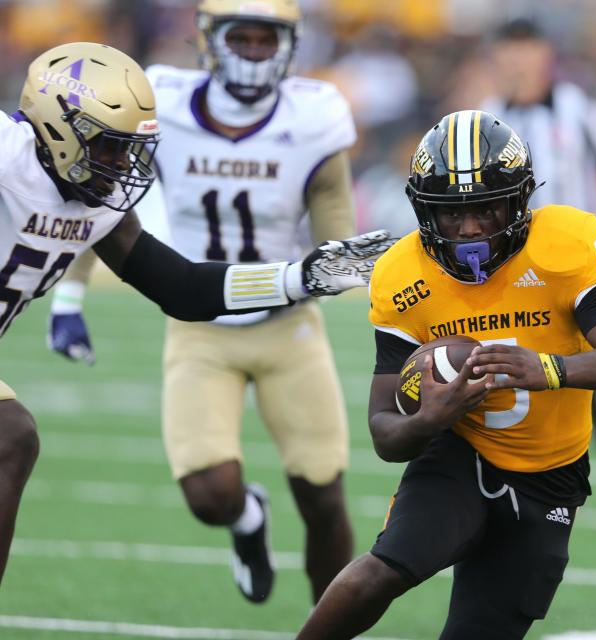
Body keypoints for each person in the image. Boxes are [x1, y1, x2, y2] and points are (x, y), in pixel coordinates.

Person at [0, 41, 392, 589]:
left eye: (129, 150)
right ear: (61, 128)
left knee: (10, 436)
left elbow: (182, 286)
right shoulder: (8, 154)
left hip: (285, 334)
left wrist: (298, 277)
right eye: (110, 147)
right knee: (10, 434)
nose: (122, 167)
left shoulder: (94, 206)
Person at [295, 110, 596, 639]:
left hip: (550, 478)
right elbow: (383, 431)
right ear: (425, 212)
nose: (469, 229)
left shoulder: (564, 244)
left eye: (486, 210)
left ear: (519, 202)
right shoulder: (403, 274)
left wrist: (552, 368)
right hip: (458, 454)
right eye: (451, 215)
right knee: (379, 573)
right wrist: (428, 420)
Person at [481, 18, 596, 445]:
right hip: (514, 247)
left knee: (592, 329)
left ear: (545, 53)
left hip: (574, 244)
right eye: (510, 48)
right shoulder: (489, 113)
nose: (518, 59)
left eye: (526, 48)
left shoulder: (577, 106)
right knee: (528, 330)